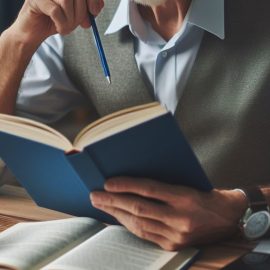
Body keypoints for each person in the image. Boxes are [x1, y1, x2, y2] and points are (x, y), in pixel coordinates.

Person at [1, 0, 270, 251]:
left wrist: (243, 204)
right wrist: (17, 39)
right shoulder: (78, 21)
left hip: (245, 249)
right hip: (126, 251)